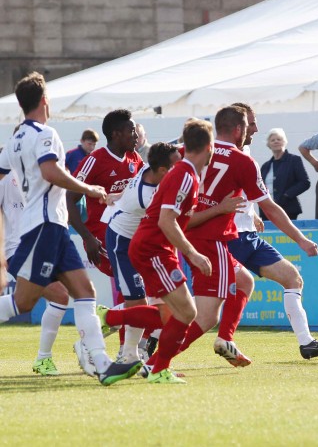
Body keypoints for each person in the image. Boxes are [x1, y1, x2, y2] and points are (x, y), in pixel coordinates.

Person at [0, 72, 141, 385]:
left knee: (84, 292)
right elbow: (51, 172)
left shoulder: (16, 138)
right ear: (45, 101)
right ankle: (98, 362)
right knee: (22, 303)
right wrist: (90, 189)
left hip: (54, 226)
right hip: (43, 225)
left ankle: (102, 364)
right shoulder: (45, 133)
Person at [226, 103, 318, 360]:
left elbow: (241, 194)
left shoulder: (244, 152)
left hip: (248, 237)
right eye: (252, 124)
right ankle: (152, 347)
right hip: (226, 239)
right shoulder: (217, 155)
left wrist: (252, 214)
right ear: (238, 127)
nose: (256, 129)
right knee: (200, 309)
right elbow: (271, 207)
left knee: (293, 278)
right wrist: (300, 239)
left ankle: (306, 343)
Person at [123, 119, 215, 384]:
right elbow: (166, 220)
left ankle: (111, 317)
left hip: (154, 247)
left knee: (172, 313)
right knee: (187, 312)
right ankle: (157, 369)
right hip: (154, 248)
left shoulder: (185, 171)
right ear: (208, 147)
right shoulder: (185, 174)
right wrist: (193, 254)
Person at [102, 142, 182, 365]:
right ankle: (111, 334)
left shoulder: (150, 169)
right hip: (123, 243)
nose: (183, 168)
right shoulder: (147, 197)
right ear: (164, 170)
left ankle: (130, 351)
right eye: (177, 165)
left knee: (152, 304)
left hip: (140, 242)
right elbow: (171, 222)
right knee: (138, 302)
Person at [0, 162, 71, 376]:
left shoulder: (44, 172)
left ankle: (44, 358)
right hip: (17, 249)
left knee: (48, 298)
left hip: (43, 246)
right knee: (59, 295)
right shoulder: (6, 178)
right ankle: (44, 358)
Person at [67, 109, 143, 278]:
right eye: (131, 131)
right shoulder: (94, 161)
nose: (136, 136)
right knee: (135, 280)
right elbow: (69, 199)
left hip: (129, 234)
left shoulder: (135, 158)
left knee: (138, 287)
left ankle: (113, 306)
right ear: (116, 134)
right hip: (103, 239)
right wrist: (87, 238)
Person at [259, 128, 310, 220]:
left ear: (284, 142)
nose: (276, 142)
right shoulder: (265, 166)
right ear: (268, 144)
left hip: (288, 209)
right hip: (267, 211)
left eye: (279, 139)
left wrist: (287, 195)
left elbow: (305, 182)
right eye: (273, 140)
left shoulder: (294, 160)